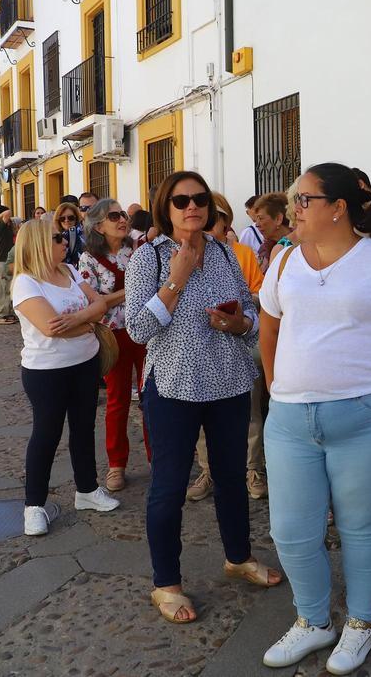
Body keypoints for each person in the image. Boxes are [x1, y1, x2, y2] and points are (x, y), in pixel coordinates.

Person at [258, 163, 371, 673]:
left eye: (303, 200)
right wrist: (279, 390)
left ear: (337, 209)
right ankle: (314, 621)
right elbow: (269, 332)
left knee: (361, 527)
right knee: (291, 531)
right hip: (293, 421)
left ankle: (361, 623)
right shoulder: (283, 263)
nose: (292, 208)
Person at [126, 170, 281, 624]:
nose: (192, 206)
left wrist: (241, 324)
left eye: (199, 199)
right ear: (165, 208)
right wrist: (175, 280)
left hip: (229, 381)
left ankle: (238, 557)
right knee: (169, 487)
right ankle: (166, 583)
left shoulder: (225, 254)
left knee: (231, 477)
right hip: (174, 386)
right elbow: (138, 329)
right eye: (181, 201)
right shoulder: (149, 259)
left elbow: (251, 305)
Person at [11, 218, 118, 535]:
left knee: (84, 429)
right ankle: (34, 505)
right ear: (40, 243)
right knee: (46, 434)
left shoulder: (70, 271)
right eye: (58, 237)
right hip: (46, 371)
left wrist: (82, 320)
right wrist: (89, 321)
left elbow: (99, 304)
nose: (65, 241)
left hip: (85, 362)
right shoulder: (27, 282)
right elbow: (49, 328)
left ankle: (87, 490)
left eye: (64, 236)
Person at [187, 191, 269, 503]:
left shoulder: (241, 255)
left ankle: (252, 468)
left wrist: (239, 312)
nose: (208, 229)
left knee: (249, 409)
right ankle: (208, 469)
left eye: (214, 222)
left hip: (239, 342)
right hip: (199, 348)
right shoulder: (182, 255)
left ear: (225, 223)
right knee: (202, 415)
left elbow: (259, 292)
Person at [78, 199, 148, 493]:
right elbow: (96, 302)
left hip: (146, 331)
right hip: (113, 335)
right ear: (98, 225)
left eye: (123, 215)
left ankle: (160, 458)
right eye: (114, 216)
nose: (122, 220)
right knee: (118, 400)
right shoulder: (88, 259)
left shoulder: (141, 250)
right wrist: (133, 289)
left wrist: (113, 297)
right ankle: (116, 464)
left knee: (152, 398)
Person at [0, 206, 19, 325]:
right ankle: (0, 314)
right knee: (2, 288)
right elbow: (8, 212)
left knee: (8, 288)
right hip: (1, 261)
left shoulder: (4, 227)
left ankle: (8, 312)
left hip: (6, 261)